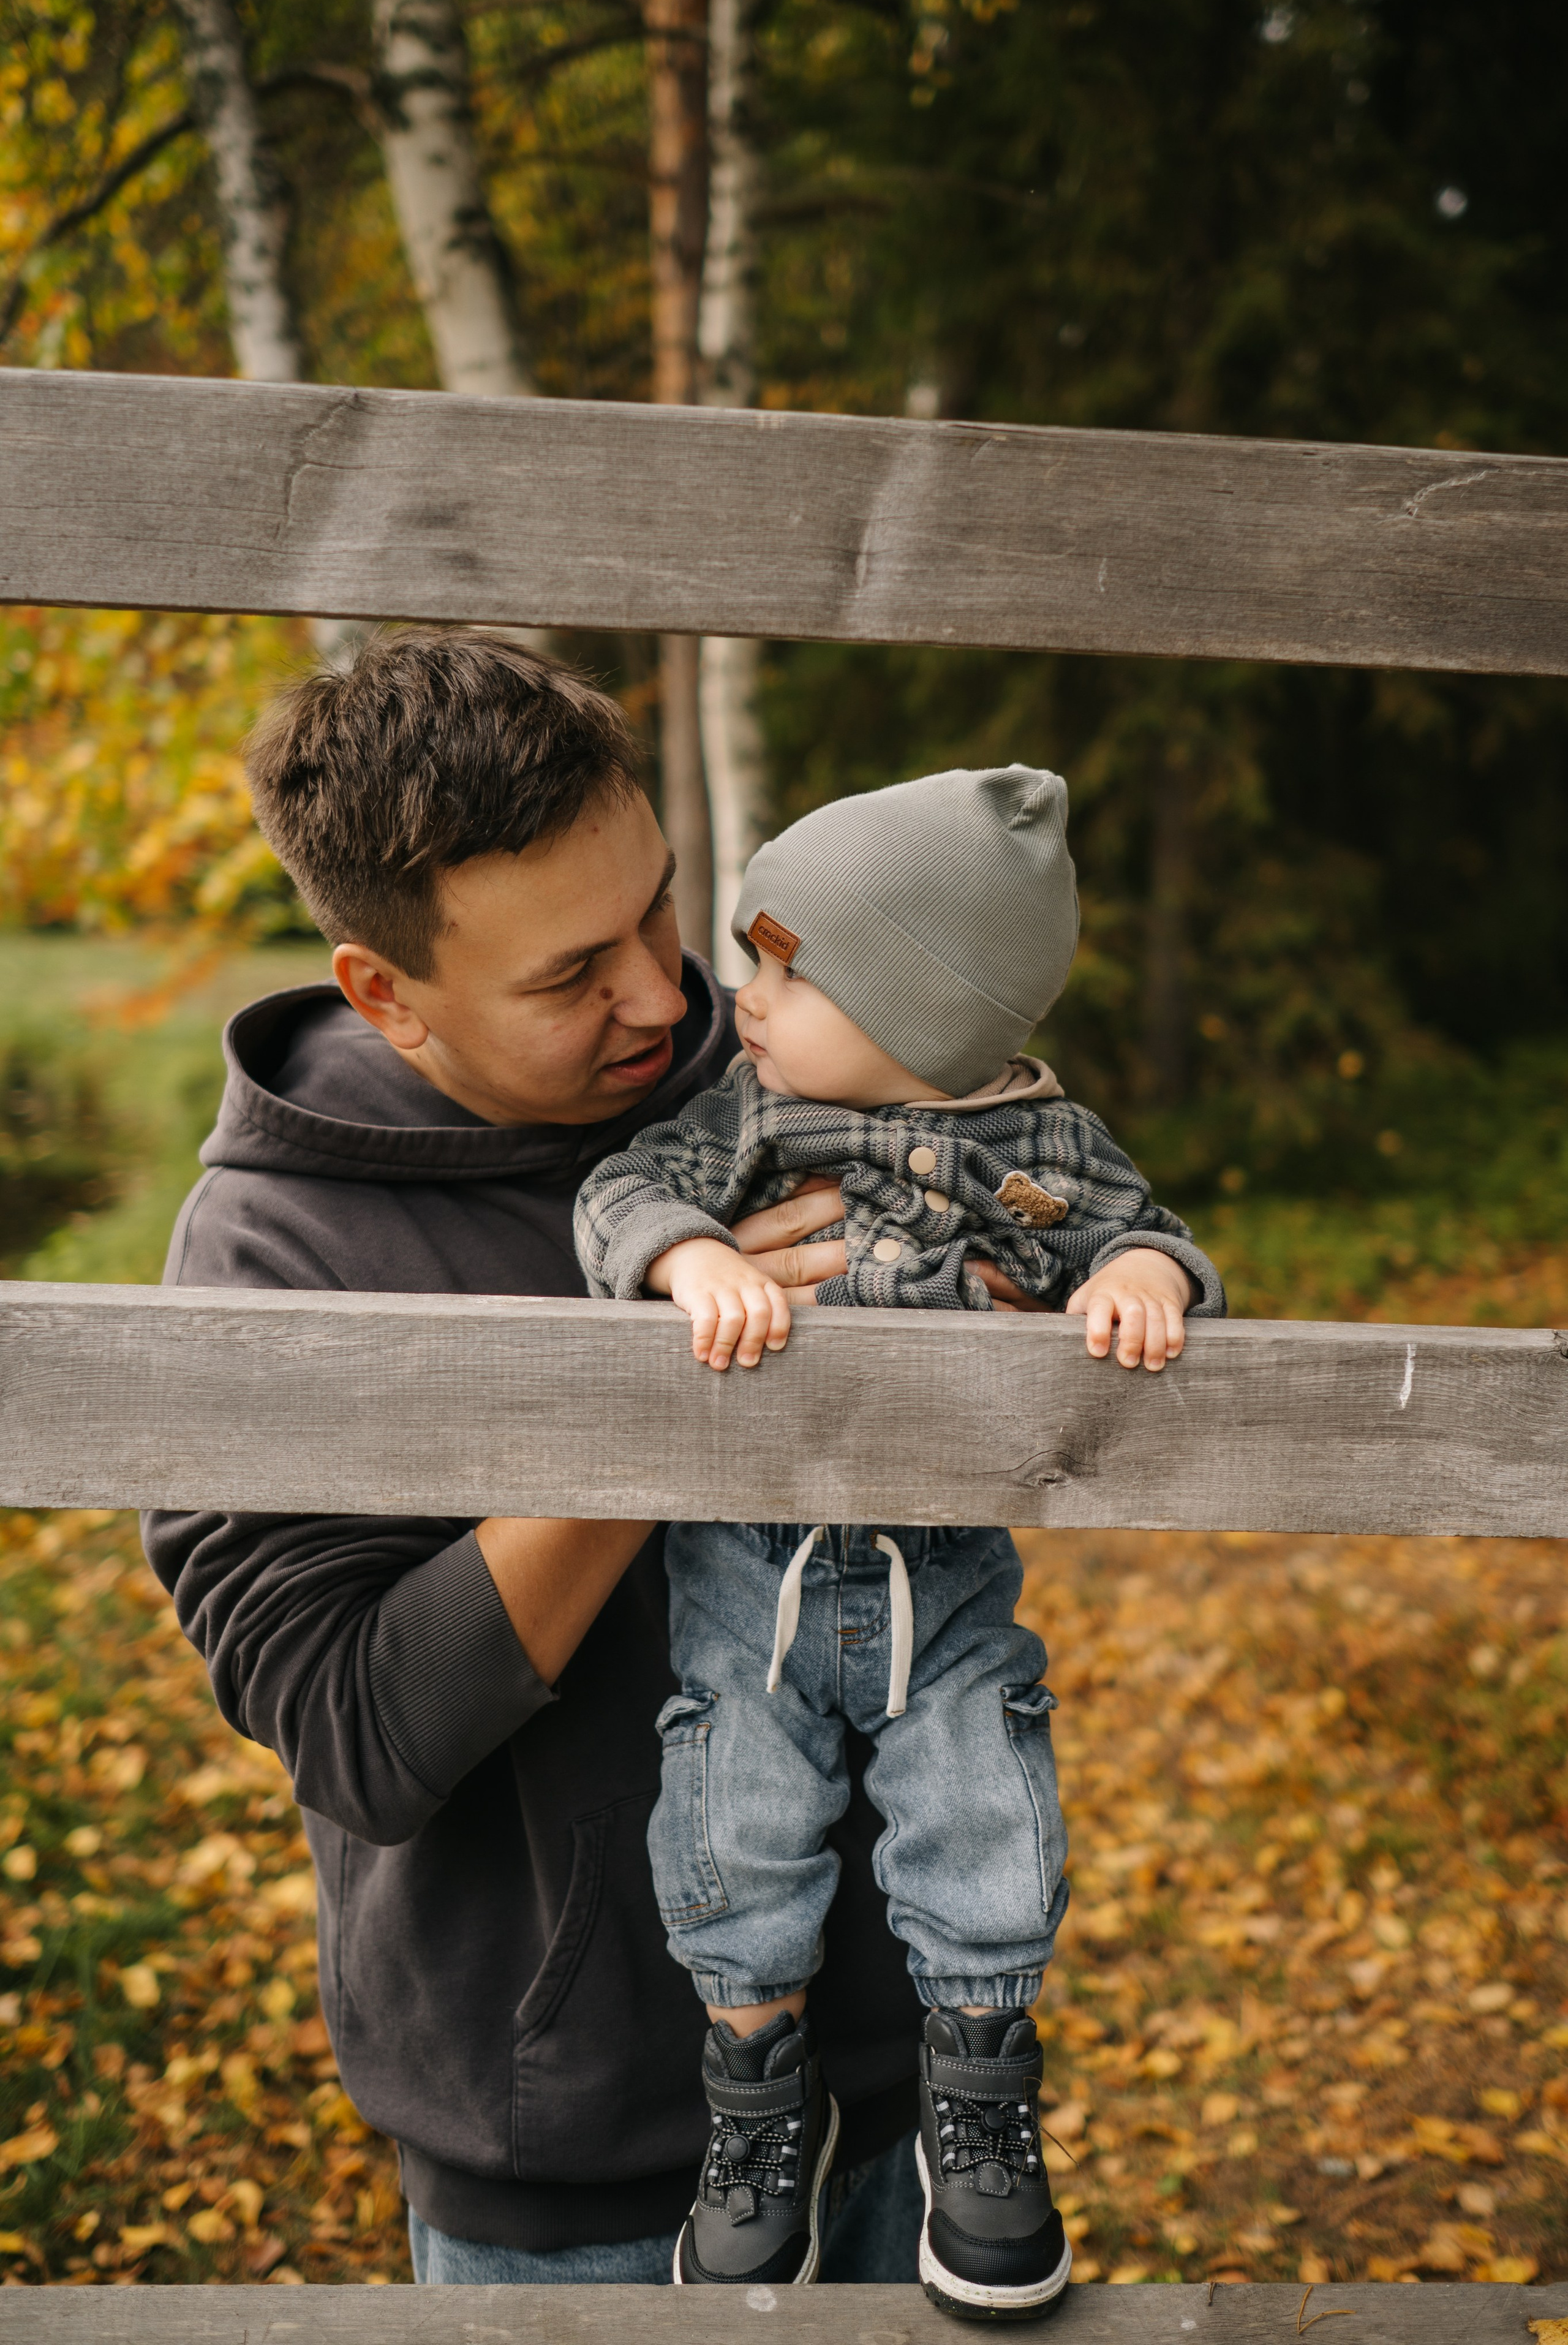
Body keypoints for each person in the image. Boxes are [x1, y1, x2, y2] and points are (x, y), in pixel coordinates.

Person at [141, 628, 1051, 2286]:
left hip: (912, 2100)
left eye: (658, 908)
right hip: (572, 2174)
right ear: (385, 992)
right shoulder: (272, 1250)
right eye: (570, 974)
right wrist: (665, 1398)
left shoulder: (787, 1081)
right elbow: (359, 1732)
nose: (658, 992)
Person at [573, 765, 1226, 2313]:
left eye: (787, 973)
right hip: (753, 1579)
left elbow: (1156, 1236)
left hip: (941, 1574)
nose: (744, 997)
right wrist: (684, 1264)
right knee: (733, 1819)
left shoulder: (1051, 1147)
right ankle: (756, 2112)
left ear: (927, 1015)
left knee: (982, 1802)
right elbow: (620, 1190)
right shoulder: (747, 1118)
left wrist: (1140, 1279)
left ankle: (978, 2102)